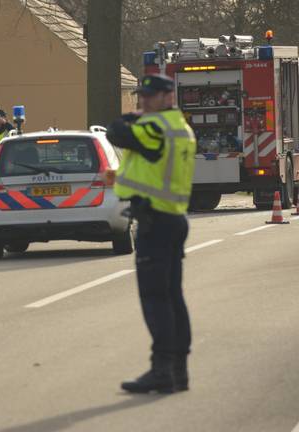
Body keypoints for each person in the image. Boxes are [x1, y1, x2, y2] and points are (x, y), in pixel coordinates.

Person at [106, 74, 197, 394]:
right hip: (172, 219)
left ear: (167, 97)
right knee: (172, 296)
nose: (142, 100)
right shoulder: (180, 128)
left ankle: (162, 371)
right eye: (140, 95)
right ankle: (178, 371)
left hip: (155, 222)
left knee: (155, 298)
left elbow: (116, 132)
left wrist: (130, 117)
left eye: (149, 95)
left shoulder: (155, 127)